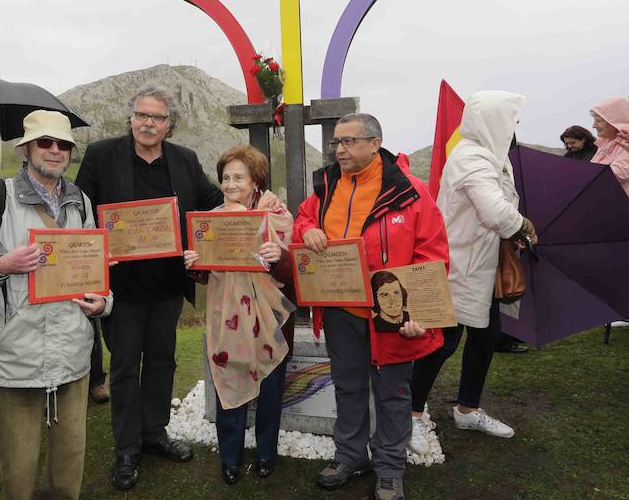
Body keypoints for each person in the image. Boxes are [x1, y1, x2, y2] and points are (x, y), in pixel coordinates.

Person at [75, 86, 225, 491]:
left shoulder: (184, 159)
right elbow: (80, 212)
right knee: (124, 366)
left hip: (168, 286)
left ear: (168, 124)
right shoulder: (101, 155)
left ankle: (155, 433)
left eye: (157, 118)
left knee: (163, 361)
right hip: (121, 287)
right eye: (141, 115)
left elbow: (213, 200)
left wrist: (255, 199)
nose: (148, 123)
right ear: (130, 119)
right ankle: (127, 447)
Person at [293, 113, 448, 500]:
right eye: (336, 143)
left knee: (394, 393)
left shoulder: (410, 191)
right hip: (340, 311)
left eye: (348, 142)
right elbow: (304, 217)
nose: (339, 150)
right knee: (347, 387)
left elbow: (432, 256)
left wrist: (419, 317)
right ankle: (350, 456)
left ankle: (390, 468)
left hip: (392, 316)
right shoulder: (325, 186)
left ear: (375, 143)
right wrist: (306, 230)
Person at [0, 110, 112, 500]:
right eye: (45, 142)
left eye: (62, 144)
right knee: (17, 469)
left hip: (72, 353)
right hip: (13, 355)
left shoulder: (81, 200)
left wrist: (102, 303)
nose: (54, 151)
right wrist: (2, 264)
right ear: (26, 149)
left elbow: (95, 271)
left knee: (69, 464)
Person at [410, 91, 537, 456]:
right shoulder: (472, 158)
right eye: (511, 120)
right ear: (494, 122)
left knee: (485, 338)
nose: (514, 127)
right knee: (442, 343)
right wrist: (524, 226)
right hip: (460, 267)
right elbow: (496, 213)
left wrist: (515, 232)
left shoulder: (492, 158)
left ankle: (468, 408)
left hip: (484, 267)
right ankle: (412, 414)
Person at [182, 144, 295, 485]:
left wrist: (279, 256)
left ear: (255, 180)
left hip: (269, 319)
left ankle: (265, 454)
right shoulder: (211, 219)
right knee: (227, 381)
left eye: (239, 177)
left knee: (271, 389)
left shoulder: (277, 215)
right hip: (225, 318)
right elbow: (205, 271)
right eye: (226, 177)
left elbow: (293, 272)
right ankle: (230, 458)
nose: (230, 184)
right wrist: (193, 266)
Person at [590, 96, 629, 326]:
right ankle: (624, 308)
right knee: (612, 261)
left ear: (612, 119)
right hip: (613, 209)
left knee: (622, 261)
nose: (594, 125)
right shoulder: (606, 144)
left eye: (599, 120)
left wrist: (585, 176)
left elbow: (620, 172)